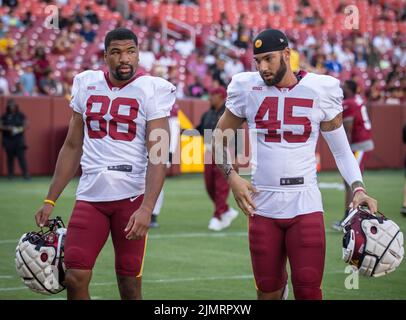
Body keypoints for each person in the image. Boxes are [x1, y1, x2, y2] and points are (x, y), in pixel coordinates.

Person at [212, 28, 378, 300]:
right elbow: (218, 137)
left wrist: (358, 188)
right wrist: (232, 177)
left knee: (309, 291)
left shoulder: (319, 89)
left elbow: (341, 150)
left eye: (269, 59)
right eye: (258, 61)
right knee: (267, 293)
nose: (262, 67)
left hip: (305, 203)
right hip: (262, 203)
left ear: (287, 54)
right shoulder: (246, 87)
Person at [34, 28, 176, 300]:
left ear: (138, 54)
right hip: (91, 196)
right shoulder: (87, 84)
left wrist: (148, 208)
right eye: (117, 52)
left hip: (131, 198)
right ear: (105, 56)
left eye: (131, 51)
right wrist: (50, 200)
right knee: (74, 277)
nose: (125, 58)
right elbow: (72, 146)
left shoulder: (152, 89)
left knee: (129, 284)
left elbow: (158, 155)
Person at [332, 80, 374, 231]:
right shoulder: (357, 99)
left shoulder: (349, 102)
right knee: (350, 180)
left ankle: (349, 219)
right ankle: (353, 217)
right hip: (363, 143)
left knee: (352, 181)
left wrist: (345, 152)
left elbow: (348, 130)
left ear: (349, 89)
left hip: (359, 145)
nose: (342, 89)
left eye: (344, 87)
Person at [197, 87, 238, 231]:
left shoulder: (229, 114)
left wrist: (237, 156)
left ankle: (218, 215)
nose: (210, 98)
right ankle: (226, 210)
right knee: (210, 186)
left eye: (212, 95)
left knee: (221, 187)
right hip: (209, 152)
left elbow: (236, 134)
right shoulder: (207, 114)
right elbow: (200, 130)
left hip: (225, 152)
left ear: (221, 96)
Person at [150, 103, 180, 228]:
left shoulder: (169, 106)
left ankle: (153, 214)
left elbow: (174, 129)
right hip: (143, 148)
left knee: (155, 182)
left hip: (159, 149)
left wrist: (170, 153)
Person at [0, 99, 30, 179]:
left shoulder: (20, 114)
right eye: (10, 105)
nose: (12, 107)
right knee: (9, 158)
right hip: (8, 140)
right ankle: (10, 175)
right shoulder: (4, 115)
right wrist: (8, 128)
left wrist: (18, 129)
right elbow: (1, 125)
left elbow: (26, 125)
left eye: (13, 105)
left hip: (19, 140)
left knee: (22, 158)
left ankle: (26, 174)